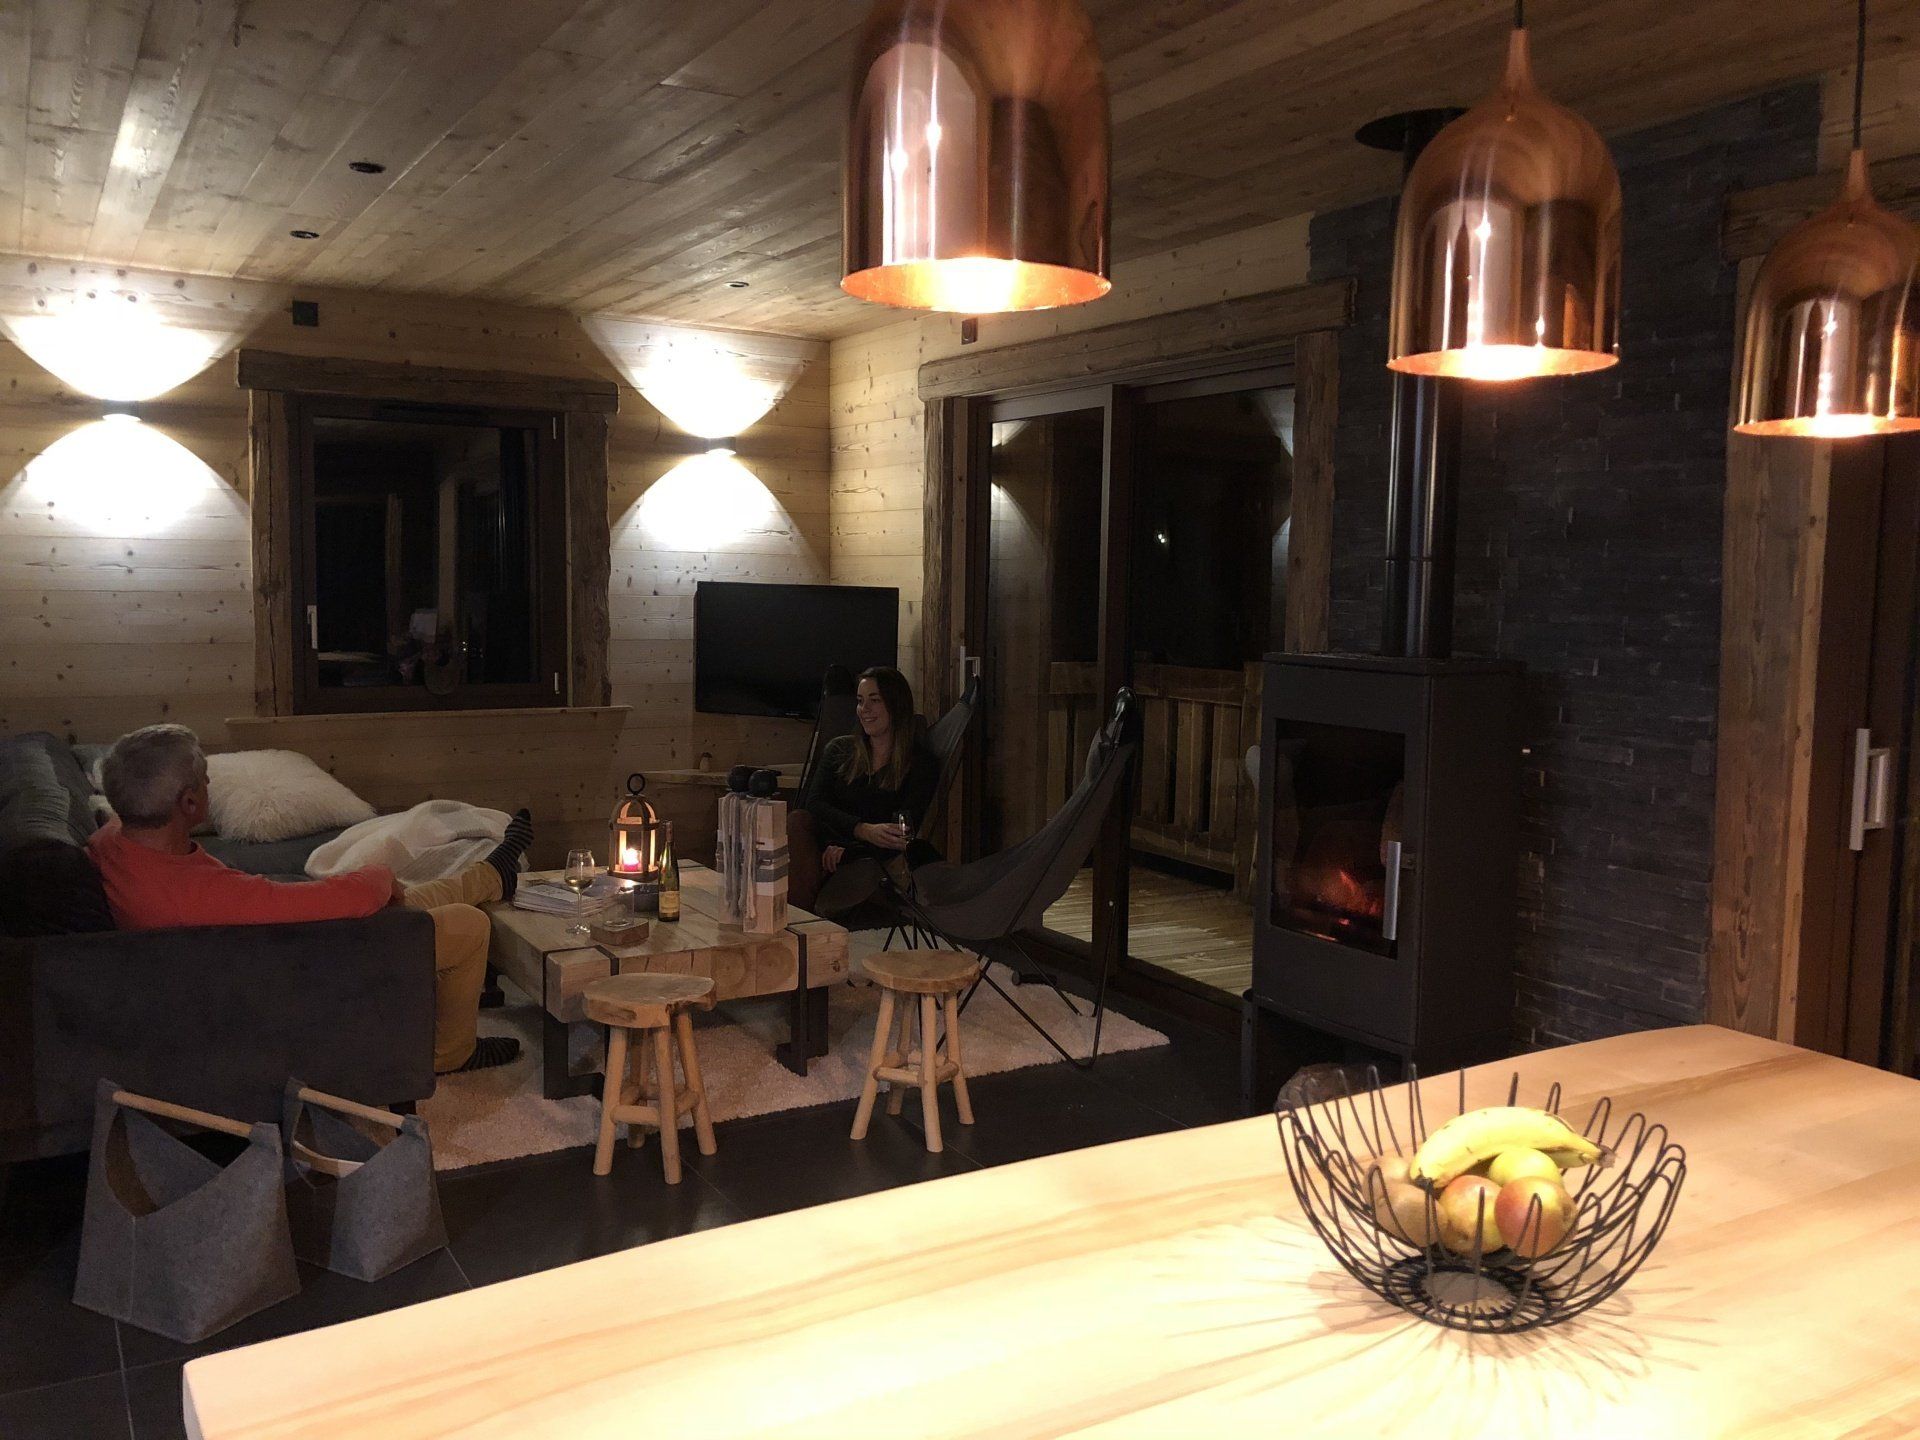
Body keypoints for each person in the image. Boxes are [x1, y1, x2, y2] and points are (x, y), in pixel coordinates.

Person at [86, 724, 527, 1074]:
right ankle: (452, 1054)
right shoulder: (198, 895)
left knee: (402, 898)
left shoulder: (112, 844)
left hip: (264, 954)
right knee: (467, 925)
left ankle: (490, 877)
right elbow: (324, 901)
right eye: (204, 780)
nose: (208, 784)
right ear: (188, 803)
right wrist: (376, 877)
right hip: (303, 971)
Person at [790, 666, 941, 916]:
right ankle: (800, 926)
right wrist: (860, 829)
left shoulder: (921, 765)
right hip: (822, 845)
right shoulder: (840, 750)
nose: (864, 709)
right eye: (860, 701)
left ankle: (801, 929)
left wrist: (849, 851)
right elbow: (814, 803)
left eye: (874, 700)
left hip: (868, 858)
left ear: (896, 705)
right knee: (797, 821)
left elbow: (900, 832)